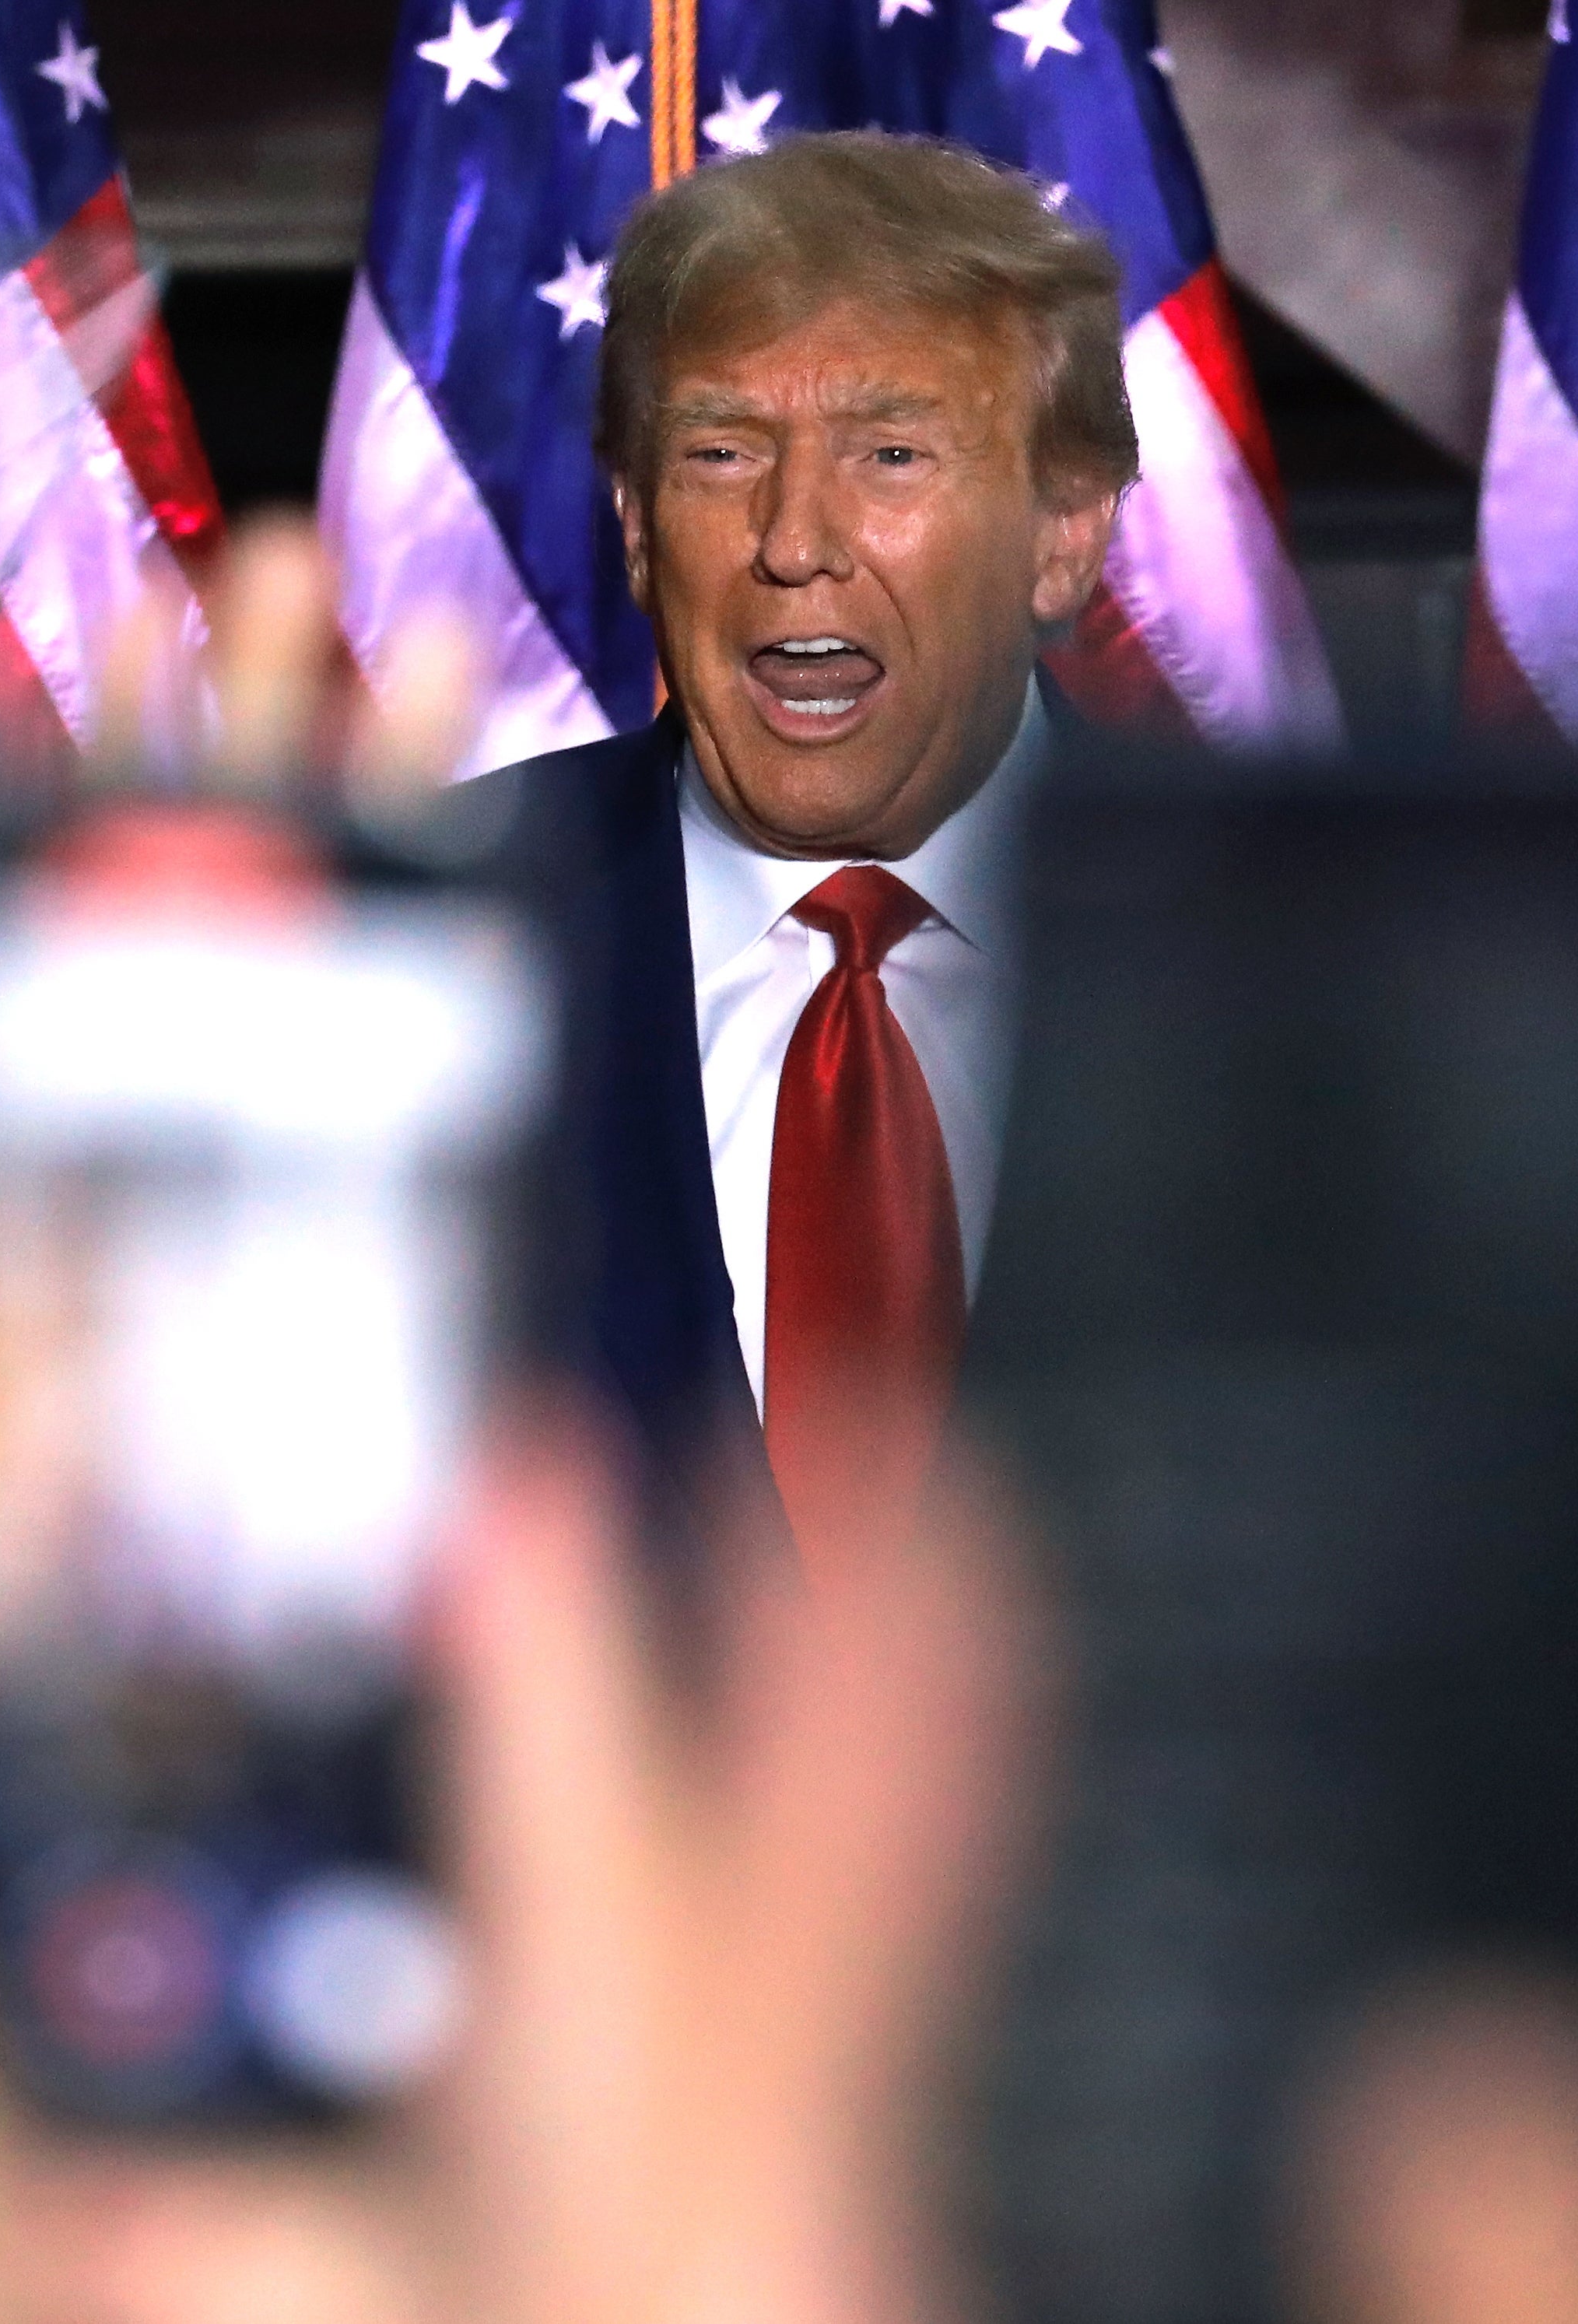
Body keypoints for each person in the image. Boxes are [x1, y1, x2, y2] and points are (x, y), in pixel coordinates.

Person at [475, 131, 1134, 1569]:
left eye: (889, 454)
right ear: (638, 528)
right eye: (721, 456)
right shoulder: (456, 938)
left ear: (1063, 531)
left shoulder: (1265, 950)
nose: (792, 543)